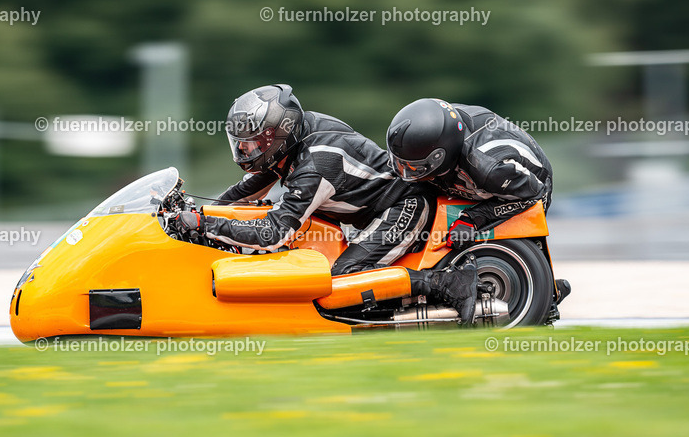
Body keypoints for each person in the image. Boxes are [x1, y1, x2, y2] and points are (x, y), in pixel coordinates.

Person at [173, 84, 479, 320]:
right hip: (365, 212)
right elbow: (243, 193)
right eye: (241, 142)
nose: (245, 149)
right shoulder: (292, 142)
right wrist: (195, 212)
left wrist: (204, 224)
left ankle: (446, 284)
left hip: (402, 204)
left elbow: (274, 233)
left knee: (340, 280)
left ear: (280, 133)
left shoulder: (316, 165)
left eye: (253, 142)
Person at [385, 99, 553, 248]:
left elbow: (535, 195)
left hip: (529, 187)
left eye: (414, 167)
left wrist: (473, 219)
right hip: (475, 168)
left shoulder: (488, 168)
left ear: (441, 157)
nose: (404, 171)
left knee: (464, 236)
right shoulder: (436, 123)